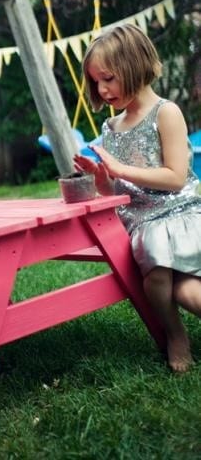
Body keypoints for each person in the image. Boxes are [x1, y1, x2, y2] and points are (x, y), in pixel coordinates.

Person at [74, 23, 201, 373]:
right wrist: (103, 178)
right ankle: (175, 334)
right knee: (162, 272)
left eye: (109, 78)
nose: (102, 89)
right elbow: (117, 193)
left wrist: (120, 167)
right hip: (142, 224)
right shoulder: (110, 128)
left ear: (134, 67)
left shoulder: (166, 112)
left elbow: (175, 178)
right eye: (96, 81)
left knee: (190, 293)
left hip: (182, 213)